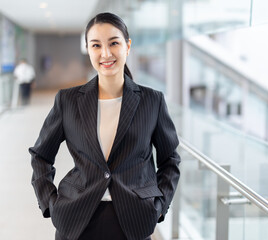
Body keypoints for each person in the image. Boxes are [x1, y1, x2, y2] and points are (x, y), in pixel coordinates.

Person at [29, 12, 180, 240]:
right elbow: (40, 155)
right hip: (76, 220)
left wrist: (159, 206)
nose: (106, 53)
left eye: (114, 43)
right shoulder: (68, 101)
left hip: (134, 220)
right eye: (96, 45)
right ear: (88, 49)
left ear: (127, 46)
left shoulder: (152, 101)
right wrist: (50, 202)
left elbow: (170, 160)